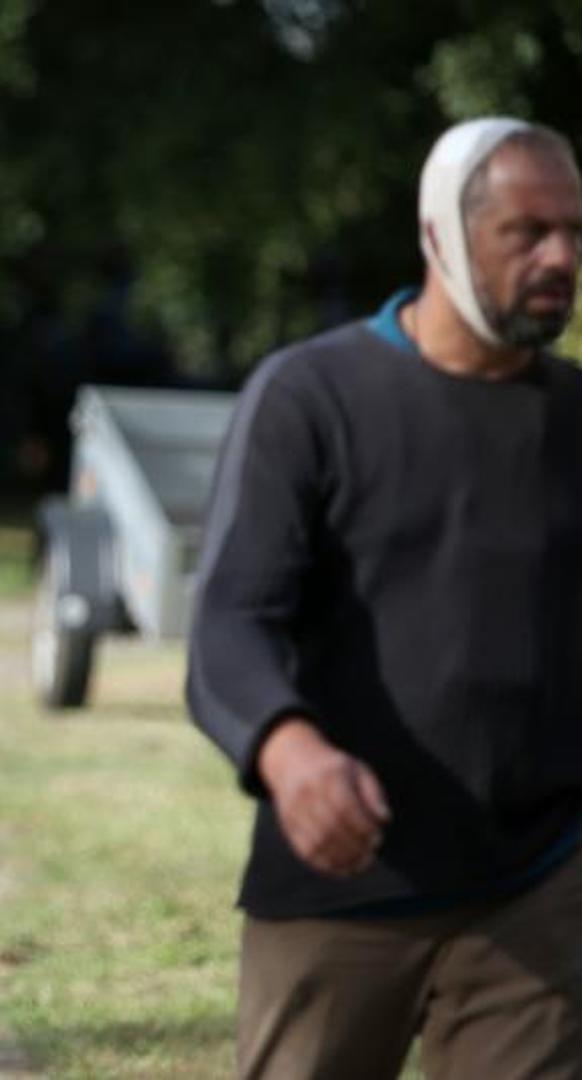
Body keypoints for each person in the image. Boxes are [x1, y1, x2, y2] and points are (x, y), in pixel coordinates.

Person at [187, 117, 582, 1079]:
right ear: (442, 233)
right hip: (340, 882)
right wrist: (291, 753)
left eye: (574, 231)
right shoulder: (310, 396)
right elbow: (230, 623)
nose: (561, 258)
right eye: (527, 231)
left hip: (538, 886)